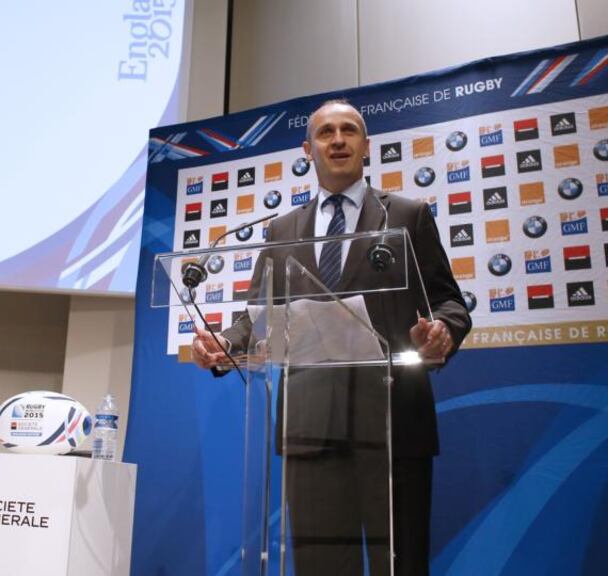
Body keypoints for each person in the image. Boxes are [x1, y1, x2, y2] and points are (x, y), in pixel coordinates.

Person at [191, 100, 471, 575]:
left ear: (366, 146)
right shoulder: (282, 229)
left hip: (394, 420)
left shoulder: (407, 215)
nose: (337, 140)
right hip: (310, 426)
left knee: (401, 562)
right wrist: (226, 345)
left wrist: (441, 332)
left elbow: (449, 304)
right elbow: (257, 317)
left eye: (349, 131)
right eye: (325, 133)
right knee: (320, 566)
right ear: (308, 149)